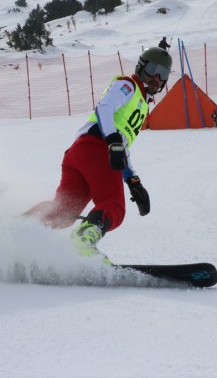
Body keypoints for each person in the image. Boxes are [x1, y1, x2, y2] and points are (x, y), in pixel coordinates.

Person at [26, 47, 173, 262]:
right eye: (152, 69)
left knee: (64, 212)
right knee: (113, 206)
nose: (157, 78)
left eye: (164, 74)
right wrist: (112, 142)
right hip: (96, 148)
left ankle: (20, 229)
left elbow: (123, 144)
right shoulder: (128, 86)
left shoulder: (142, 104)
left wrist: (133, 181)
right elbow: (104, 107)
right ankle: (83, 241)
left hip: (79, 153)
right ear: (141, 67)